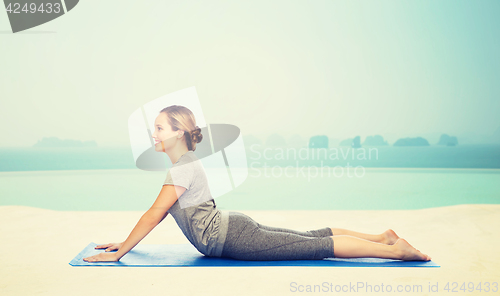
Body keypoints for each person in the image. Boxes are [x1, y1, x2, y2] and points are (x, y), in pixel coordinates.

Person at [83, 105, 431, 263]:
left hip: (233, 235)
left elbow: (154, 214)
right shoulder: (187, 165)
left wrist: (122, 252)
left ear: (179, 133)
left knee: (314, 247)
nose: (153, 134)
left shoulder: (181, 169)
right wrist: (125, 243)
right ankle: (381, 237)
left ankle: (393, 250)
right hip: (233, 229)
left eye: (159, 128)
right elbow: (156, 216)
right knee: (309, 237)